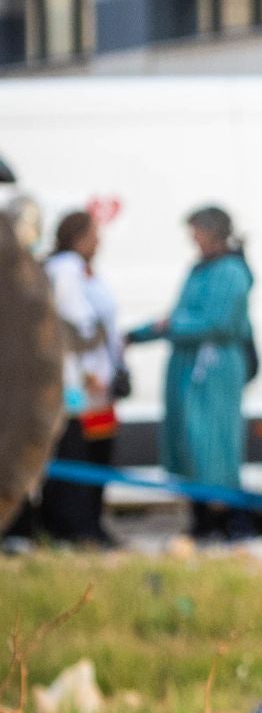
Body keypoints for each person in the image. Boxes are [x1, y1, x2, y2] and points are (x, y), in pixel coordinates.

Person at [126, 207, 255, 541]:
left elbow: (218, 321)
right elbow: (178, 316)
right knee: (186, 442)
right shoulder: (200, 270)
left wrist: (173, 327)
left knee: (212, 444)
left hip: (213, 370)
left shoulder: (230, 271)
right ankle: (200, 518)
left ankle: (227, 520)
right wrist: (138, 335)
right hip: (187, 367)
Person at [42, 210, 122, 545]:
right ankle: (78, 526)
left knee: (89, 448)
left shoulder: (76, 270)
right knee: (78, 450)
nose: (99, 241)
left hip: (89, 383)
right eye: (94, 234)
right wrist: (95, 372)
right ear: (79, 237)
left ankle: (85, 522)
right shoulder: (65, 270)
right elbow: (78, 326)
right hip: (81, 384)